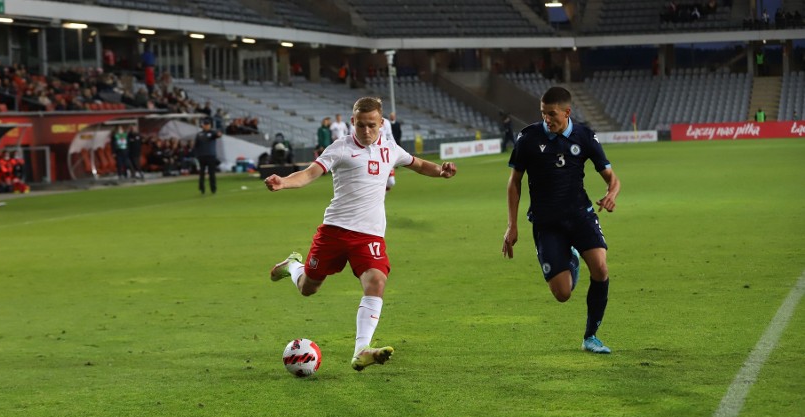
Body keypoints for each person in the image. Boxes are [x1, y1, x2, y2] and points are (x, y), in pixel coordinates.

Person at [265, 96, 457, 371]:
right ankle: (293, 266)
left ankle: (361, 350)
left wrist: (441, 171)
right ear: (353, 121)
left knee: (376, 281)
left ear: (381, 124)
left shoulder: (389, 148)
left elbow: (417, 164)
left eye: (372, 126)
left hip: (369, 235)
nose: (366, 131)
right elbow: (310, 174)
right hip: (334, 231)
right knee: (309, 288)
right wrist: (283, 182)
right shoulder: (340, 148)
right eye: (361, 125)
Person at [502, 86, 621, 354]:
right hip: (547, 224)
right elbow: (514, 184)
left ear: (567, 112)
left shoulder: (585, 136)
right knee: (562, 294)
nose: (547, 119)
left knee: (601, 269)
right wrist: (512, 225)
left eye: (552, 114)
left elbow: (612, 178)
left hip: (581, 216)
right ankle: (571, 259)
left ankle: (590, 337)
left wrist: (611, 193)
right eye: (543, 114)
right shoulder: (528, 138)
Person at [193, 118, 222, 194]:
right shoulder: (199, 134)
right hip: (202, 156)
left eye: (208, 125)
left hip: (211, 155)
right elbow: (196, 146)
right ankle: (202, 188)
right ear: (203, 126)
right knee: (201, 173)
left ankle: (213, 188)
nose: (206, 126)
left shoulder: (212, 133)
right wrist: (197, 155)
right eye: (205, 125)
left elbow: (217, 135)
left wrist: (218, 134)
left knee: (211, 173)